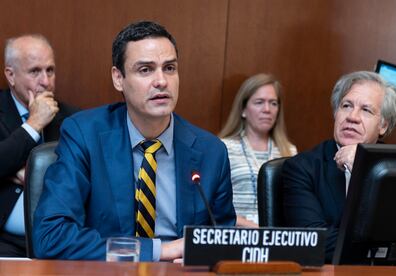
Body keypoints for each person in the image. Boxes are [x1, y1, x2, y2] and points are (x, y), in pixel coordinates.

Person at [33, 21, 236, 262]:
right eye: (145, 70)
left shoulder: (211, 152)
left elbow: (224, 242)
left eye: (169, 68)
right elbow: (51, 237)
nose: (161, 81)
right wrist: (159, 251)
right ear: (118, 78)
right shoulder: (84, 135)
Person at [282, 71, 396, 262]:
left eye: (366, 110)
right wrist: (380, 247)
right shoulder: (302, 168)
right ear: (336, 113)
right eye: (346, 106)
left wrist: (363, 171)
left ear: (383, 126)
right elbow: (312, 242)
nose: (352, 117)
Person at [0, 34, 79, 256]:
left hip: (59, 239)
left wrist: (28, 174)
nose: (45, 81)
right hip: (4, 241)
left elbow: (78, 176)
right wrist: (34, 124)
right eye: (35, 71)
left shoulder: (73, 119)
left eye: (50, 70)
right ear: (11, 75)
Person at [219, 73, 297, 227]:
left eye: (273, 103)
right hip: (236, 236)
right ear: (243, 110)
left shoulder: (289, 151)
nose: (267, 109)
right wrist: (258, 229)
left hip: (276, 241)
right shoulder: (223, 148)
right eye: (259, 102)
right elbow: (215, 205)